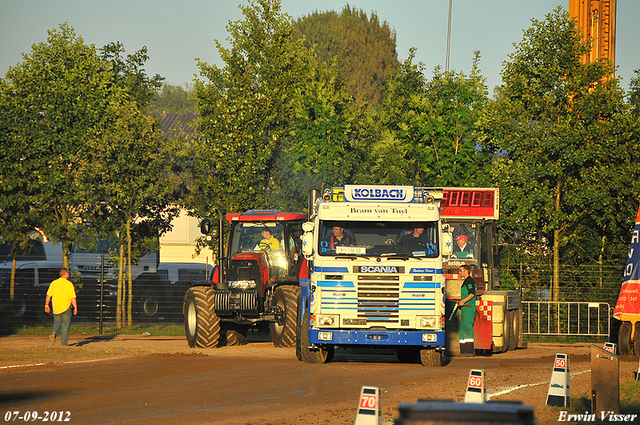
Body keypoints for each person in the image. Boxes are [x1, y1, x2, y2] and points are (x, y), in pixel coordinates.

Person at [44, 268, 78, 347]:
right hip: (66, 307)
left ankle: (53, 332)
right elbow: (73, 297)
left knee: (57, 323)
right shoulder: (69, 284)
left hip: (56, 307)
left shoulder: (54, 283)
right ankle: (63, 344)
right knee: (65, 326)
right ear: (66, 274)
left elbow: (48, 295)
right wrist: (75, 308)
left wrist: (46, 305)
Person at [458, 265, 477, 357]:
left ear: (466, 271)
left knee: (467, 328)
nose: (459, 272)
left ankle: (470, 350)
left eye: (461, 271)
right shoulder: (466, 281)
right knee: (462, 328)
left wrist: (463, 301)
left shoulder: (469, 281)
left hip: (468, 307)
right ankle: (463, 350)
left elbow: (472, 294)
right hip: (464, 308)